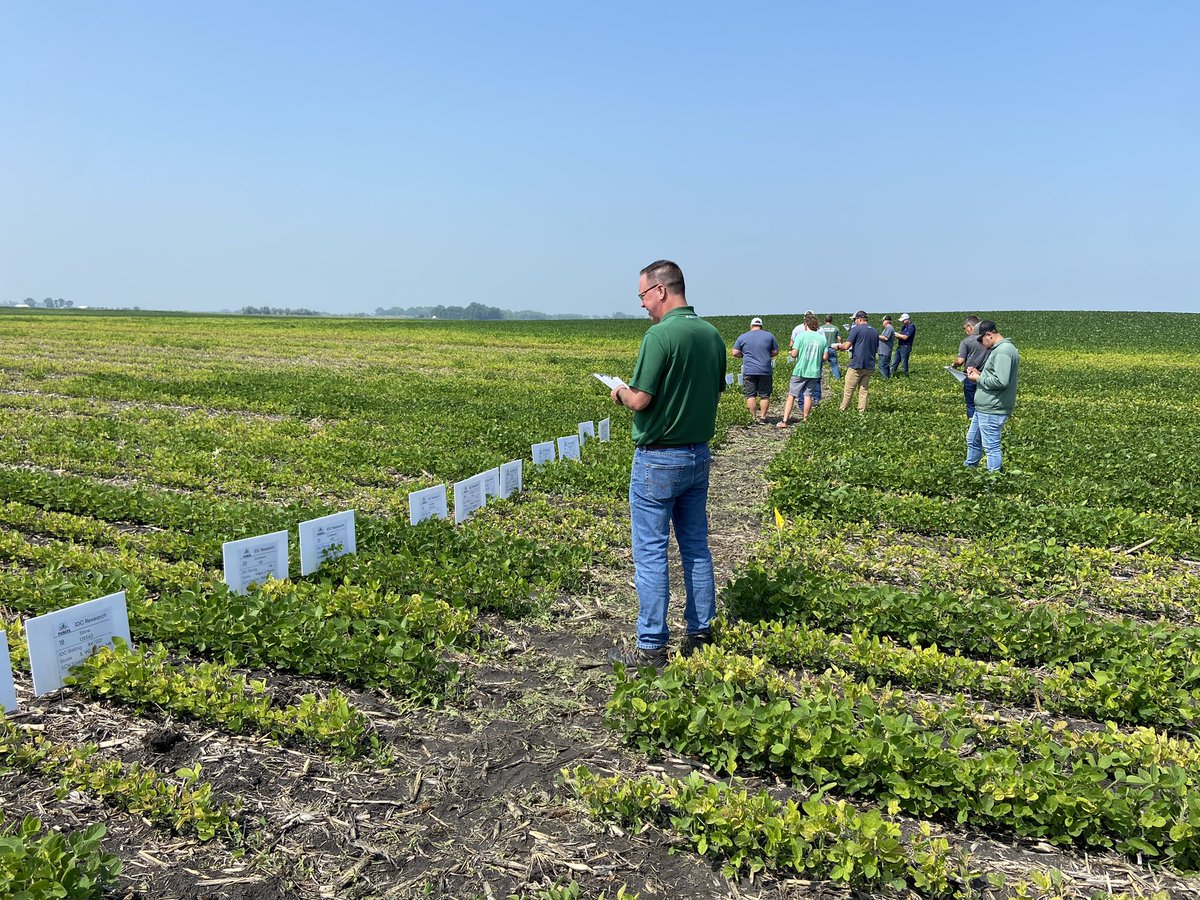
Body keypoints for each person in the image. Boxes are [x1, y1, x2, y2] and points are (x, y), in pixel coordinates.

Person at [608, 260, 726, 668]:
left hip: (658, 458)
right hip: (698, 454)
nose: (642, 305)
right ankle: (699, 634)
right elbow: (715, 390)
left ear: (660, 290)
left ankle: (652, 646)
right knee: (695, 546)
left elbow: (641, 399)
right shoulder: (711, 335)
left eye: (642, 296)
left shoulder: (659, 336)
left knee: (651, 551)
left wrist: (620, 392)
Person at [965, 320, 1019, 472]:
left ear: (989, 335)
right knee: (972, 440)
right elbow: (996, 376)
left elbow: (1001, 382)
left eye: (980, 339)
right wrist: (980, 374)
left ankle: (993, 484)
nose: (981, 344)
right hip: (984, 407)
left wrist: (978, 379)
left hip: (993, 408)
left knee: (991, 447)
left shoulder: (1003, 351)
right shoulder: (999, 350)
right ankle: (969, 473)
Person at [779, 313, 825, 427]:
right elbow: (825, 357)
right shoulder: (822, 339)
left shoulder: (801, 336)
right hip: (814, 372)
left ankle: (784, 421)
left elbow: (794, 354)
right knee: (808, 395)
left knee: (792, 395)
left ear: (806, 325)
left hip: (800, 370)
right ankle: (805, 419)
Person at [731, 317, 779, 425]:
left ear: (751, 326)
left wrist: (744, 355)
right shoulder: (769, 336)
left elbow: (734, 352)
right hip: (765, 370)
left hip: (749, 370)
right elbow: (775, 351)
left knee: (750, 395)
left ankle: (753, 418)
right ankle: (763, 417)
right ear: (761, 326)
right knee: (765, 395)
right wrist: (766, 354)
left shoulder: (743, 337)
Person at [836, 311, 879, 412]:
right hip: (869, 365)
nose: (854, 322)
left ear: (859, 319)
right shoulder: (874, 331)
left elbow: (846, 346)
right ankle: (861, 412)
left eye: (854, 320)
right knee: (863, 391)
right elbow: (876, 349)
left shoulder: (856, 329)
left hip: (857, 365)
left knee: (848, 390)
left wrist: (838, 346)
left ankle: (842, 411)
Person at [951, 315, 990, 418]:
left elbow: (960, 361)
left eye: (965, 328)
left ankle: (972, 424)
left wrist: (953, 365)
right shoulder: (988, 339)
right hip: (986, 375)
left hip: (971, 376)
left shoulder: (966, 342)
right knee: (986, 404)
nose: (965, 331)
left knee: (971, 404)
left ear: (970, 327)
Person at [817, 315, 842, 379]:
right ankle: (837, 379)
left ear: (825, 320)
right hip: (832, 349)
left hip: (823, 350)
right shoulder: (835, 328)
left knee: (819, 365)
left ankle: (817, 378)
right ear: (831, 320)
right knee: (834, 366)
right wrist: (839, 345)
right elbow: (839, 338)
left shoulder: (821, 328)